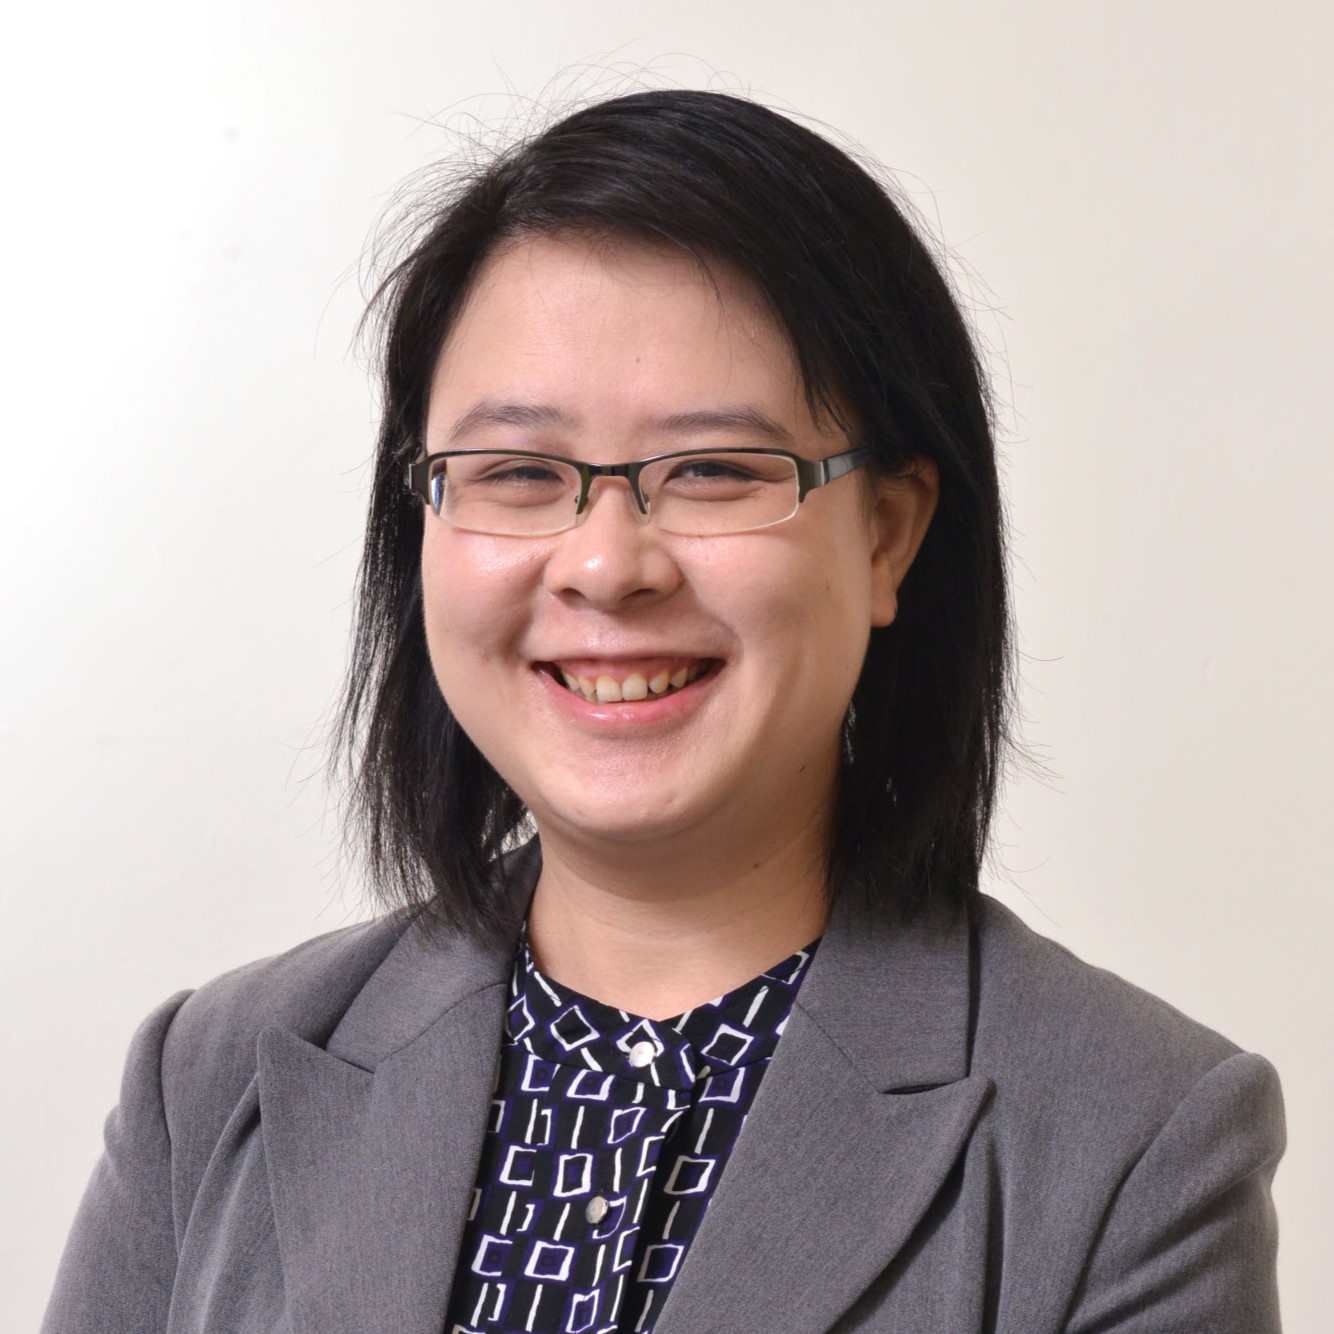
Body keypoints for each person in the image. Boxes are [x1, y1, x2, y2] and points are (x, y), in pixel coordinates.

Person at [42, 90, 1284, 1334]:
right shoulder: (210, 1081)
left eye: (712, 470)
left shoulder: (1135, 1140)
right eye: (516, 472)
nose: (605, 564)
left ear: (886, 536)